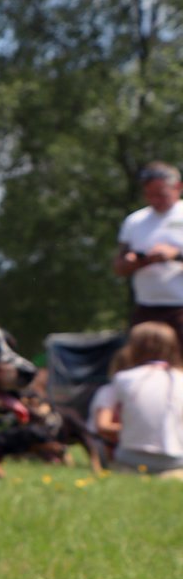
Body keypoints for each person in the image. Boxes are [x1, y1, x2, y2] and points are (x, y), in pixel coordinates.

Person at [96, 321, 183, 478]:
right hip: (177, 461)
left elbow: (102, 425)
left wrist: (133, 428)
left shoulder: (123, 378)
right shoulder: (180, 379)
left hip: (131, 460)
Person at [112, 161, 183, 347]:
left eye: (161, 194)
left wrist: (174, 256)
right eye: (149, 195)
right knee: (141, 370)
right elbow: (118, 266)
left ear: (178, 187)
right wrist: (133, 261)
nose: (155, 201)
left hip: (180, 308)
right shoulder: (135, 221)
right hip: (146, 309)